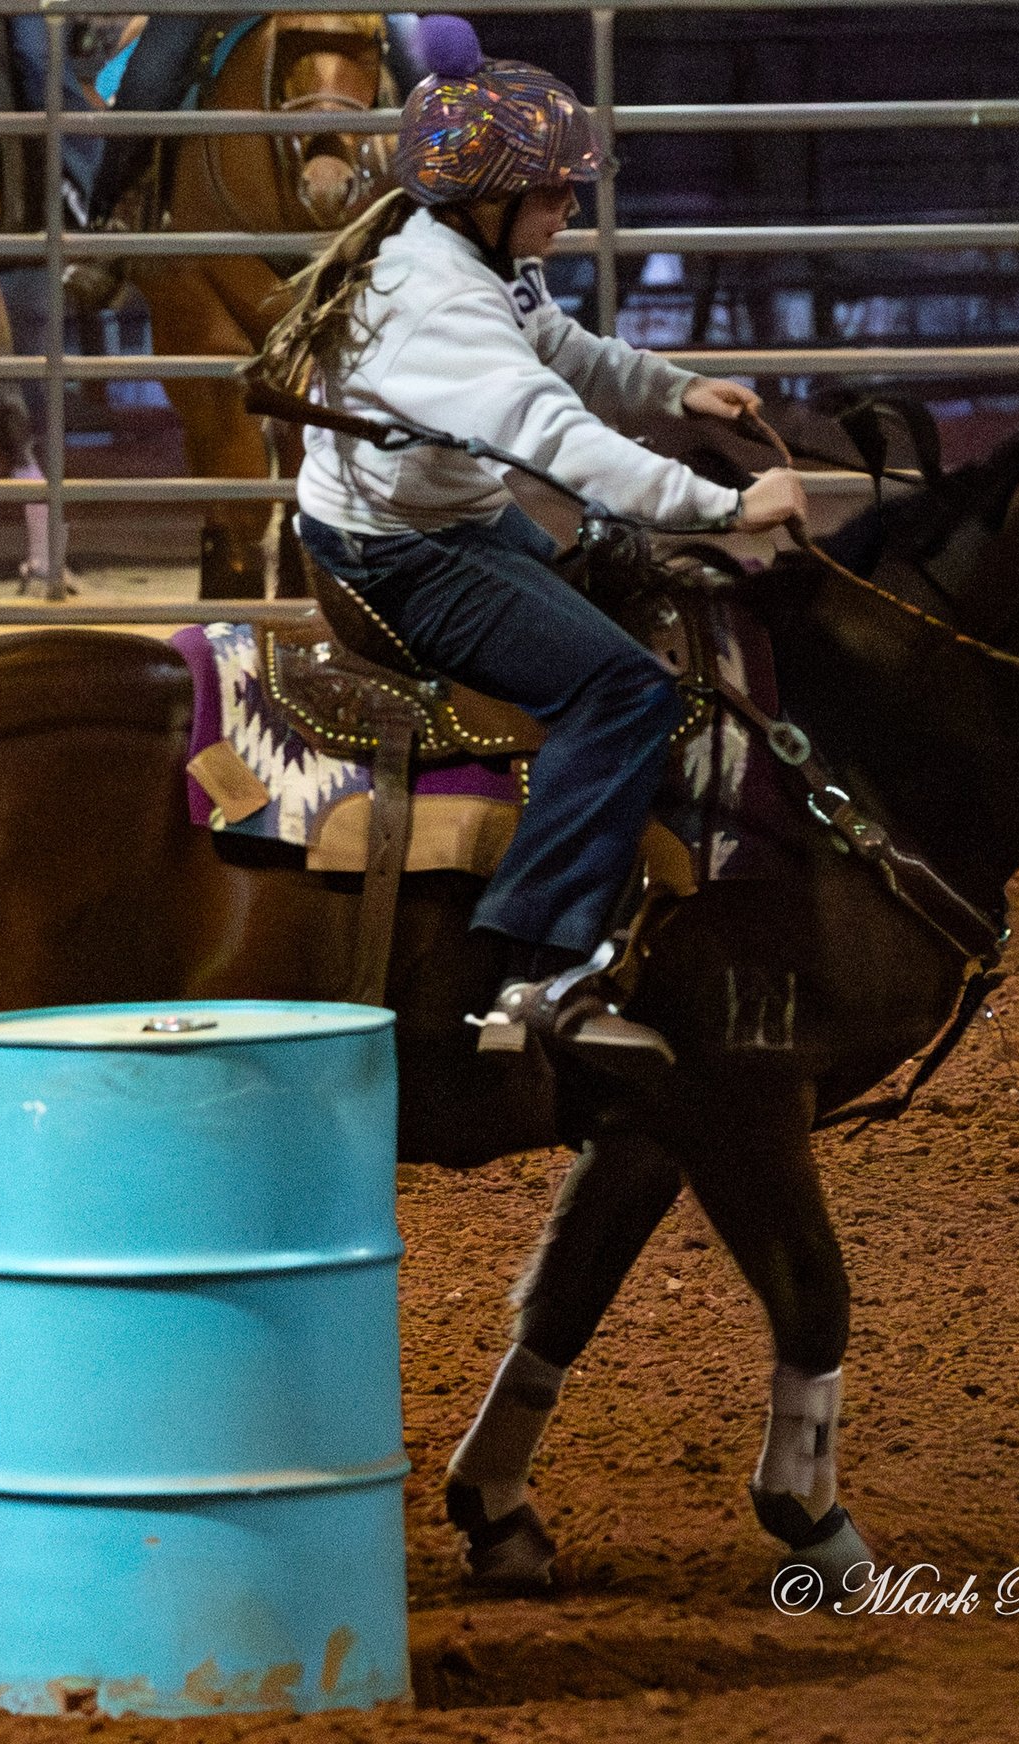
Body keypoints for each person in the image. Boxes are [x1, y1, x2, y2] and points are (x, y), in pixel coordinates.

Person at [249, 14, 808, 1066]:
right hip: (400, 554)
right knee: (624, 691)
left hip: (427, 513)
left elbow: (550, 343)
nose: (567, 206)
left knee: (615, 589)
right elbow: (554, 435)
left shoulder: (463, 251)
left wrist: (672, 386)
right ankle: (535, 971)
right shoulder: (438, 302)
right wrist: (724, 507)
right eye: (552, 191)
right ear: (488, 195)